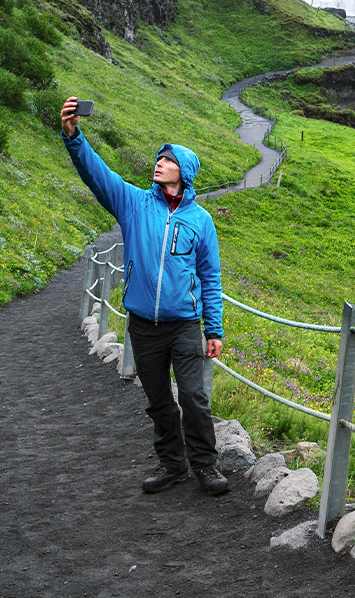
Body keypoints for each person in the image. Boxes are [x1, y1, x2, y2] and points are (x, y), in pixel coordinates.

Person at [60, 96, 229, 495]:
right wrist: (73, 137)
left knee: (192, 397)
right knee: (157, 399)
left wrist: (214, 328)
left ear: (184, 171)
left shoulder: (200, 221)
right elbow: (97, 174)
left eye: (167, 160)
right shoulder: (135, 204)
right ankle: (173, 464)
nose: (159, 163)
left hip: (185, 325)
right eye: (158, 158)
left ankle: (205, 464)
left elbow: (210, 276)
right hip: (143, 325)